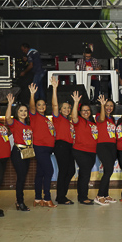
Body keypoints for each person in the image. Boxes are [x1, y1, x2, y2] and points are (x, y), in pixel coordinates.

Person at [28, 82, 57, 208]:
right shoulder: (34, 116)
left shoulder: (47, 119)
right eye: (39, 104)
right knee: (49, 171)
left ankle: (38, 198)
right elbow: (31, 107)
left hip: (47, 149)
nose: (41, 106)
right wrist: (32, 95)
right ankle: (47, 198)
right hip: (40, 147)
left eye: (43, 104)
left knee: (40, 173)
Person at [50, 76, 76, 205]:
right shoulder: (58, 118)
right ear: (60, 110)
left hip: (69, 146)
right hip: (61, 145)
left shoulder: (69, 121)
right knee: (64, 171)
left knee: (71, 171)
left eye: (68, 108)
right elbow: (54, 105)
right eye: (64, 108)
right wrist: (55, 88)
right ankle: (61, 197)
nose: (67, 110)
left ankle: (62, 195)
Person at [71, 90, 98, 205]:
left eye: (88, 110)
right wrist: (76, 102)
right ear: (80, 112)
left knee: (85, 174)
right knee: (85, 174)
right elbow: (73, 116)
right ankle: (82, 197)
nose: (86, 112)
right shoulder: (79, 121)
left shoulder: (93, 123)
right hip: (80, 150)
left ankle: (83, 196)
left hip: (92, 152)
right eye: (83, 110)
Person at [8, 100, 33, 211]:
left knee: (23, 177)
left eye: (25, 111)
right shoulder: (14, 123)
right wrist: (10, 104)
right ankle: (20, 201)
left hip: (27, 152)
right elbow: (7, 118)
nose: (23, 113)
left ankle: (18, 200)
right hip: (18, 152)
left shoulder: (28, 126)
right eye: (21, 111)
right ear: (17, 112)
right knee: (21, 177)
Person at [95, 95, 118, 206]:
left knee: (108, 171)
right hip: (102, 145)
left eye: (111, 106)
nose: (109, 107)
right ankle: (99, 195)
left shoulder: (112, 119)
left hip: (112, 146)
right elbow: (102, 119)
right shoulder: (99, 115)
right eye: (107, 105)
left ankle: (105, 194)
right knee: (108, 170)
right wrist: (102, 105)